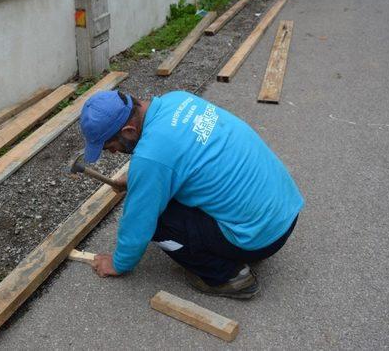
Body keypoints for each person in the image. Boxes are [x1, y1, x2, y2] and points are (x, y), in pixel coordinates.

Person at [79, 90, 303, 299]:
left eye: (111, 147)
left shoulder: (152, 159)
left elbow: (138, 223)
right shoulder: (177, 100)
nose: (114, 152)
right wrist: (138, 179)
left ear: (129, 130)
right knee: (163, 195)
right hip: (284, 213)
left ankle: (228, 276)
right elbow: (185, 153)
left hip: (258, 237)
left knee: (156, 222)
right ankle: (235, 247)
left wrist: (118, 264)